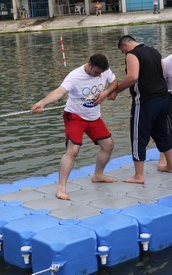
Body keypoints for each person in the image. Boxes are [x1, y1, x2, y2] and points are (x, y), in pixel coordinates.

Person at [32, 54, 118, 200]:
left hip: (93, 116)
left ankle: (98, 175)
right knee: (73, 151)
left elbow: (115, 81)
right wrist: (43, 102)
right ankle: (61, 189)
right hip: (75, 116)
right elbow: (59, 92)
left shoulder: (104, 70)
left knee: (108, 145)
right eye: (96, 72)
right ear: (90, 65)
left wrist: (106, 92)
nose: (99, 75)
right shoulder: (74, 76)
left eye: (101, 73)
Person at [108, 35, 172, 184]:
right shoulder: (154, 51)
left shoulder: (132, 54)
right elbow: (163, 74)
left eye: (122, 52)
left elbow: (132, 77)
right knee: (162, 132)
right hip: (163, 98)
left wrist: (116, 91)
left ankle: (138, 176)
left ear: (125, 46)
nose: (124, 55)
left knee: (138, 136)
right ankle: (171, 166)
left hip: (146, 101)